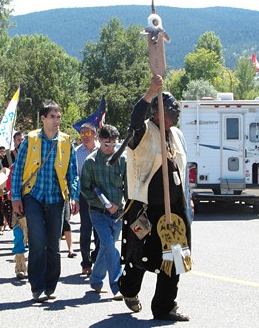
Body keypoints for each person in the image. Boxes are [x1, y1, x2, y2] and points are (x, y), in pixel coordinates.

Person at [117, 75, 191, 321]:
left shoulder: (176, 135)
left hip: (175, 209)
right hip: (146, 208)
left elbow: (180, 168)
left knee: (175, 256)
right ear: (157, 112)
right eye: (168, 112)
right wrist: (150, 92)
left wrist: (186, 199)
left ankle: (164, 307)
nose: (172, 117)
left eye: (174, 113)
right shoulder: (144, 131)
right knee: (142, 256)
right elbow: (135, 118)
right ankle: (128, 289)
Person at [11, 100, 79, 302]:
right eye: (52, 116)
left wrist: (74, 196)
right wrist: (16, 197)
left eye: (59, 116)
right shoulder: (31, 139)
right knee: (37, 242)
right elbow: (18, 170)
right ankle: (37, 287)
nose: (57, 120)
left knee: (53, 245)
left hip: (57, 198)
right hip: (33, 196)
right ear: (43, 118)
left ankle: (51, 286)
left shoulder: (66, 141)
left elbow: (73, 173)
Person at [80, 124, 126, 300]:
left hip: (118, 214)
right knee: (109, 246)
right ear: (99, 141)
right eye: (107, 144)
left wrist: (124, 205)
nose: (110, 148)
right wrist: (104, 203)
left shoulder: (122, 159)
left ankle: (96, 280)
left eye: (114, 144)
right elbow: (86, 189)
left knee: (106, 248)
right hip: (98, 213)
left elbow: (127, 186)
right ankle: (118, 285)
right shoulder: (91, 161)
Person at [75, 122, 100, 275]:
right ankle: (86, 263)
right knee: (85, 230)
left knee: (100, 230)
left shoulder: (102, 150)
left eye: (87, 133)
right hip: (84, 196)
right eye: (82, 134)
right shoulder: (77, 152)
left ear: (95, 134)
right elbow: (75, 177)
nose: (84, 136)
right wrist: (75, 198)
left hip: (101, 197)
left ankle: (96, 257)